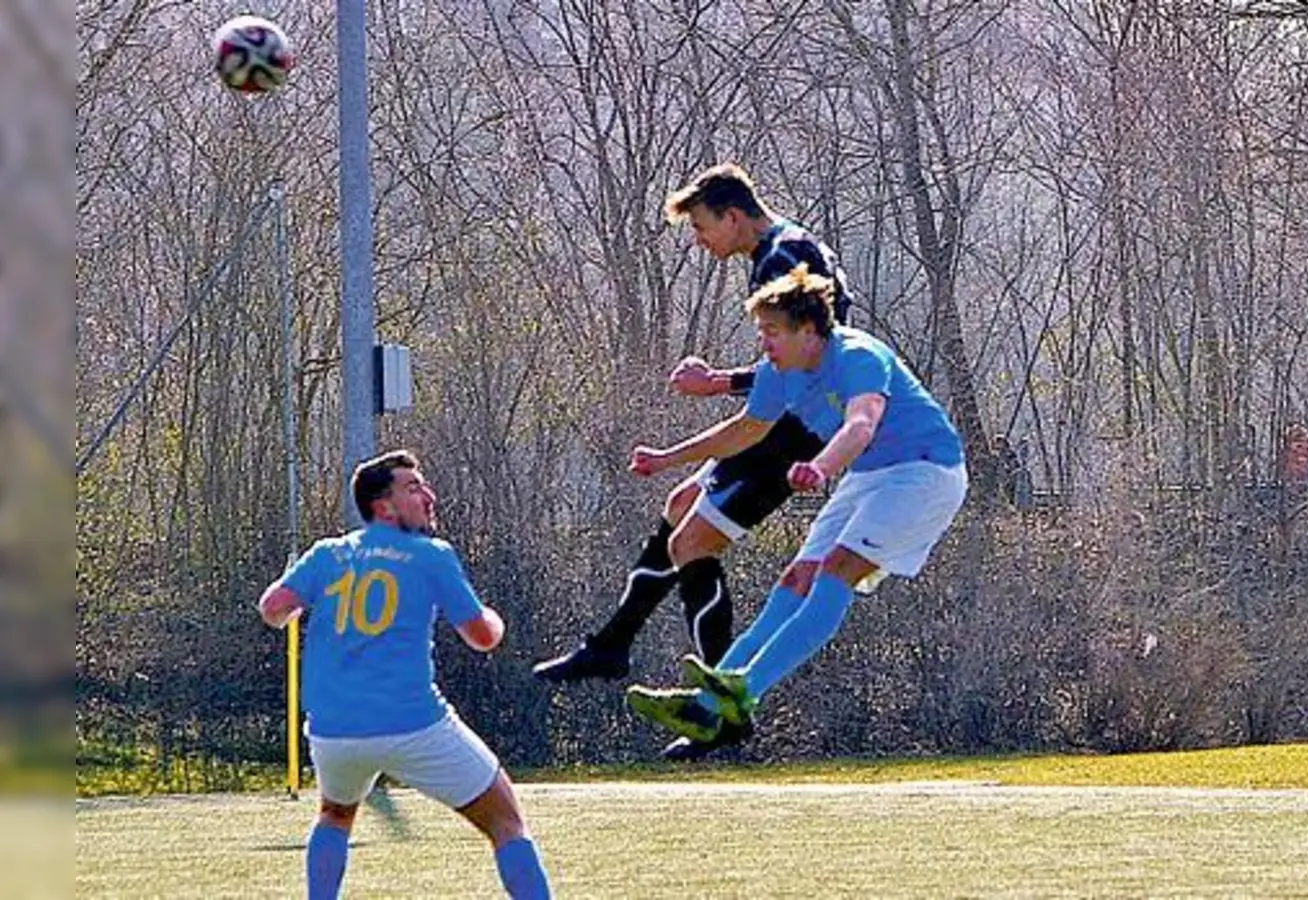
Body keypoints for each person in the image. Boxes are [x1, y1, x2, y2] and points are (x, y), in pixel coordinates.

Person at [532, 164, 858, 760]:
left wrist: (718, 382)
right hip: (792, 421)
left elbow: (809, 359)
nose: (700, 241)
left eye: (703, 227)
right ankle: (614, 643)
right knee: (680, 506)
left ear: (733, 216)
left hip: (795, 433)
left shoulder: (783, 260)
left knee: (691, 545)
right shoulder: (791, 247)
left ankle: (721, 707)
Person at [622, 265, 967, 747]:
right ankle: (704, 708)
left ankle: (744, 690)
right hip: (868, 476)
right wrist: (666, 459)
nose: (764, 342)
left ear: (809, 332)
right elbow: (742, 431)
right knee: (797, 577)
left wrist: (822, 467)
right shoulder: (779, 372)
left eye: (773, 332)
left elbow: (861, 425)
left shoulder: (857, 356)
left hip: (926, 473)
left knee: (838, 568)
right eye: (761, 331)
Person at [256, 450, 552, 900]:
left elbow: (273, 610)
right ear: (383, 507)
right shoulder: (430, 556)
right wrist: (496, 619)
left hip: (334, 732)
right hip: (413, 724)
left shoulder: (328, 554)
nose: (428, 496)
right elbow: (482, 637)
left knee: (335, 816)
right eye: (413, 488)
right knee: (506, 821)